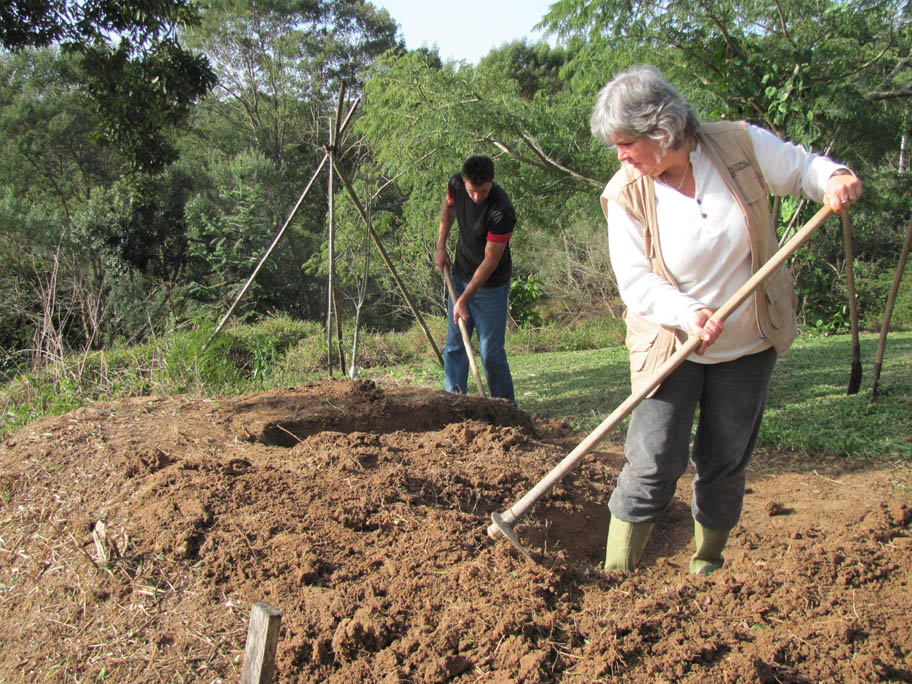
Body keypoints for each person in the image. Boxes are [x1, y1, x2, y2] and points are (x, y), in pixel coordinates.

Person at [590, 65, 862, 575]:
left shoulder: (737, 144)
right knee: (653, 462)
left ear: (661, 131)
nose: (621, 156)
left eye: (626, 143)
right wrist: (688, 313)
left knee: (724, 460)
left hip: (747, 340)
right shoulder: (624, 192)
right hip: (671, 344)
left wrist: (834, 177)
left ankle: (707, 569)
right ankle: (615, 580)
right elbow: (636, 283)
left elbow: (802, 170)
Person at [435, 155, 517, 405]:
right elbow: (448, 209)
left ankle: (506, 410)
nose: (476, 197)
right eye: (472, 191)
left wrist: (464, 299)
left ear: (491, 182)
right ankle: (455, 404)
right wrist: (441, 246)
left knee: (491, 354)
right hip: (460, 274)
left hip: (490, 286)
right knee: (455, 346)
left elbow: (490, 262)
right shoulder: (457, 185)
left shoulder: (501, 211)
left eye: (482, 191)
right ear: (464, 181)